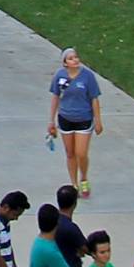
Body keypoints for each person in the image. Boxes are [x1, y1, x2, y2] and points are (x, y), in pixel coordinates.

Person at [44, 45, 103, 194]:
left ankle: (83, 177)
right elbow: (56, 97)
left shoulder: (87, 76)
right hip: (65, 118)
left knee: (81, 153)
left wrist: (98, 120)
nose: (75, 60)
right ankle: (74, 184)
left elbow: (94, 98)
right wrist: (51, 121)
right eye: (71, 58)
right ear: (65, 63)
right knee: (70, 153)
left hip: (84, 118)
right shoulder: (60, 76)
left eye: (76, 57)